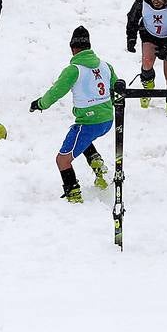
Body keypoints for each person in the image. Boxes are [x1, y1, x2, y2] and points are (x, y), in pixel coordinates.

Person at [28, 26, 115, 203]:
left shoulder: (74, 69)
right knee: (83, 139)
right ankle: (97, 164)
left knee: (62, 160)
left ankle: (73, 196)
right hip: (107, 120)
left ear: (72, 48)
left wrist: (40, 104)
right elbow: (117, 89)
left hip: (89, 122)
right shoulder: (106, 66)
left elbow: (55, 92)